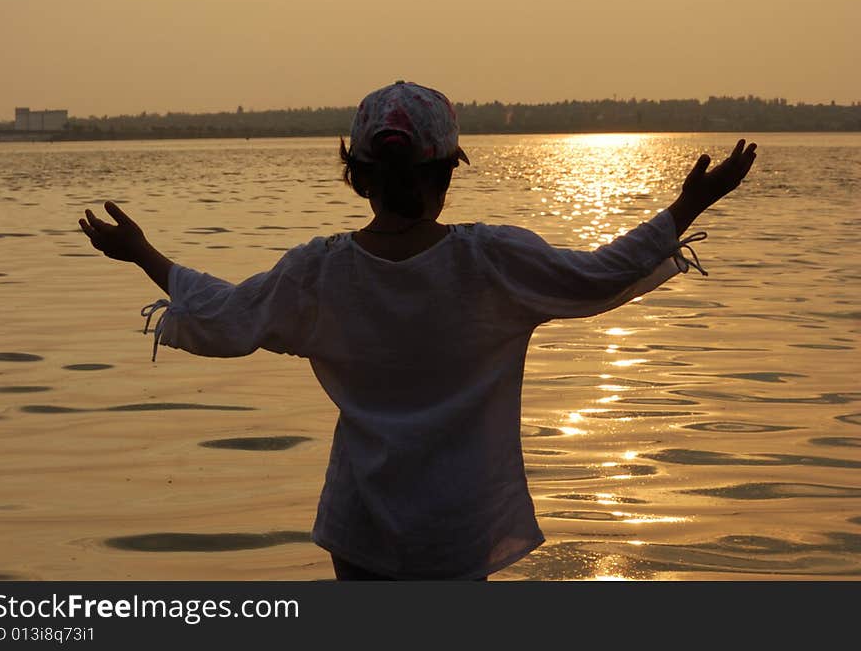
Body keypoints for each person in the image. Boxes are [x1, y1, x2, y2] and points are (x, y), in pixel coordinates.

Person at [79, 80, 757, 582]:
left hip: (360, 520)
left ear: (358, 177)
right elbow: (599, 275)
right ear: (445, 173)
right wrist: (690, 201)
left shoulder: (320, 272)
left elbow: (229, 316)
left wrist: (145, 253)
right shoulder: (491, 260)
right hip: (458, 524)